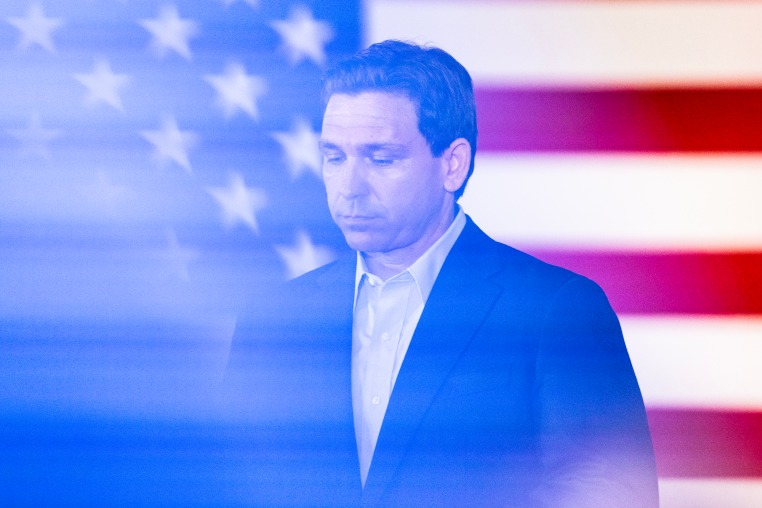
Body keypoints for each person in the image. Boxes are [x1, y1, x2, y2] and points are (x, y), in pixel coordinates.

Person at [224, 40, 659, 507]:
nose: (348, 187)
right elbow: (228, 485)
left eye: (380, 158)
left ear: (453, 164)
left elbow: (612, 491)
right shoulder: (272, 318)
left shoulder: (556, 310)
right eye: (335, 157)